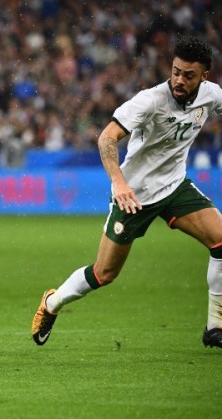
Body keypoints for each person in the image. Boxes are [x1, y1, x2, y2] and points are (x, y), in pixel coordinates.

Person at [32, 35, 222, 349]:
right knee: (104, 274)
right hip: (134, 195)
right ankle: (53, 302)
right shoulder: (150, 100)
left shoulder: (211, 96)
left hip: (175, 187)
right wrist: (119, 183)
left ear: (204, 77)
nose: (179, 80)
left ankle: (215, 326)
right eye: (175, 72)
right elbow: (107, 138)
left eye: (188, 76)